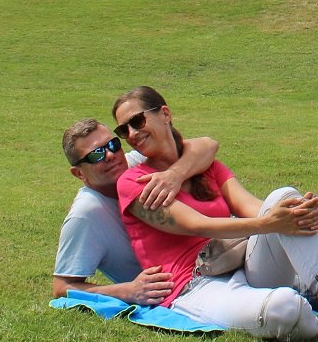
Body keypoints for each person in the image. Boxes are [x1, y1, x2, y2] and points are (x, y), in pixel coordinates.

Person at [112, 86, 318, 341]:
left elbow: (254, 206)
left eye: (137, 121)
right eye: (123, 130)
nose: (132, 133)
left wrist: (293, 214)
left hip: (240, 263)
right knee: (285, 307)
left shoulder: (204, 167)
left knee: (285, 197)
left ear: (164, 114)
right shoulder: (133, 182)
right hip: (192, 287)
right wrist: (268, 223)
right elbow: (196, 224)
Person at [53, 117, 220, 304]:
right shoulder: (86, 214)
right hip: (185, 286)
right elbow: (61, 287)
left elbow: (208, 145)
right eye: (96, 155)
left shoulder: (130, 164)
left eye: (113, 144)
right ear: (79, 173)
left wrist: (176, 174)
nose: (110, 155)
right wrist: (126, 291)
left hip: (214, 252)